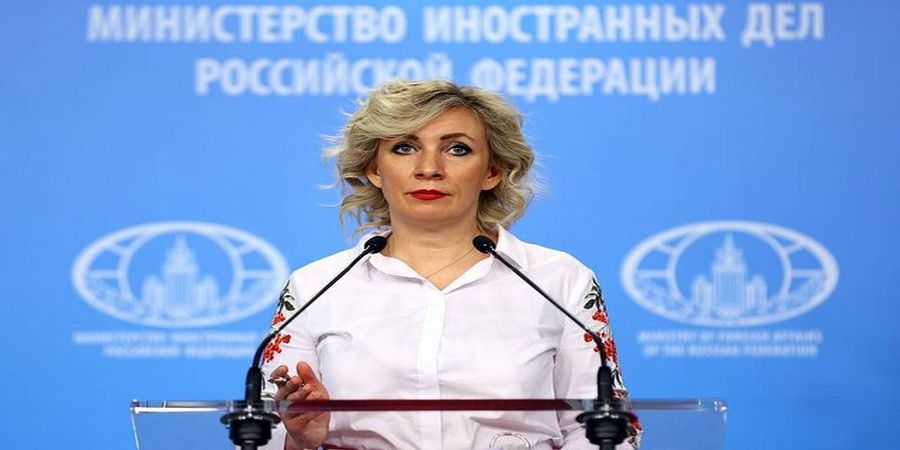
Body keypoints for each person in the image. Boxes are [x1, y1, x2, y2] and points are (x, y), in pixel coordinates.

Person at [260, 79, 640, 449]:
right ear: (374, 169)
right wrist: (299, 441)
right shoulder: (314, 287)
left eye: (457, 149)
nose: (429, 168)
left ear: (492, 171)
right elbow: (263, 435)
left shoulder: (560, 279)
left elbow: (608, 429)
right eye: (405, 147)